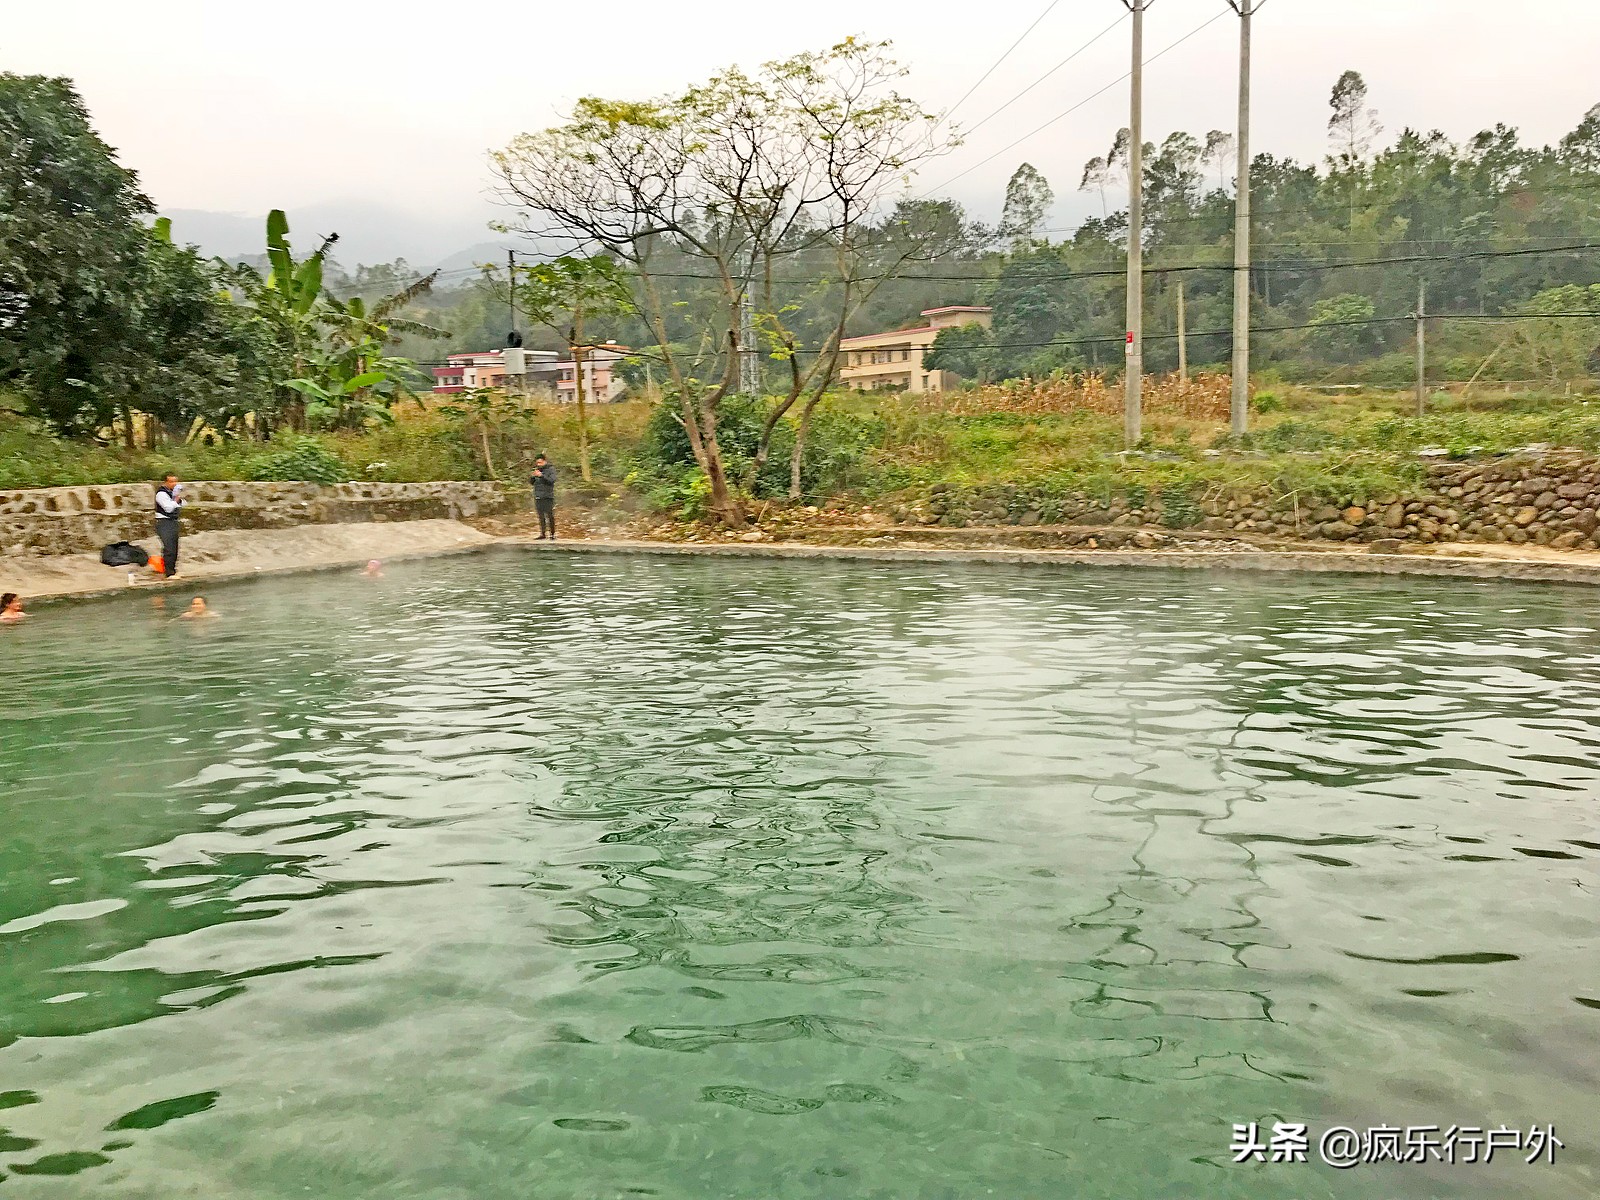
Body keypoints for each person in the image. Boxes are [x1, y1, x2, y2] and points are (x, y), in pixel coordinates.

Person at [154, 474, 185, 578]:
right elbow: (168, 508)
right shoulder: (161, 494)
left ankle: (173, 570)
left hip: (172, 521)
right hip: (164, 522)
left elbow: (184, 503)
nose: (174, 484)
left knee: (174, 547)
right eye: (171, 482)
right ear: (165, 482)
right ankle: (169, 572)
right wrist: (176, 501)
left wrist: (177, 500)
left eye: (175, 481)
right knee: (169, 548)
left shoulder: (173, 493)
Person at [530, 455, 557, 540]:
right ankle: (542, 533)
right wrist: (533, 476)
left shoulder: (551, 469)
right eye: (537, 463)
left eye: (540, 462)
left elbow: (551, 481)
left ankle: (552, 534)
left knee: (549, 515)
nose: (538, 464)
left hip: (548, 496)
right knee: (540, 516)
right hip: (538, 495)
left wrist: (541, 475)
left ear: (545, 461)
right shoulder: (537, 470)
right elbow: (531, 482)